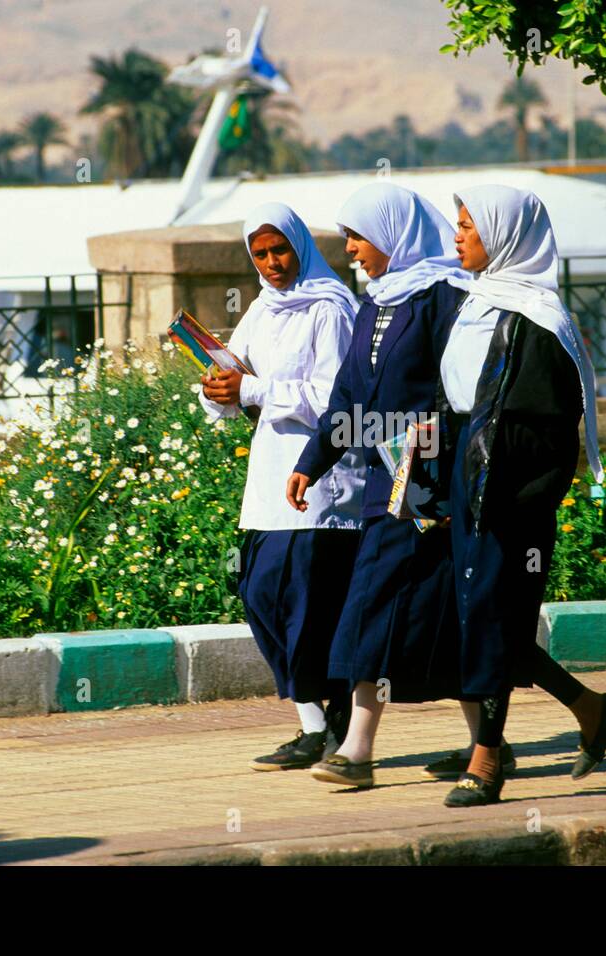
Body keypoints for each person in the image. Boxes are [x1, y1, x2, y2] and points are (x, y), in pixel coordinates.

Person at [287, 182, 513, 789]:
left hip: (427, 485)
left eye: (359, 237)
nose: (352, 250)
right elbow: (347, 399)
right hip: (379, 486)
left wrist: (427, 450)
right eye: (346, 239)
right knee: (445, 614)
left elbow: (460, 392)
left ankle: (356, 752)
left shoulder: (446, 300)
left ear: (393, 234)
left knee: (372, 600)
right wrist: (315, 460)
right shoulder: (375, 304)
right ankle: (487, 743)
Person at [438, 184, 606, 807]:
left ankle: (487, 759)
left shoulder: (541, 322)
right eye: (458, 225)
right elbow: (462, 402)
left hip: (512, 497)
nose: (459, 236)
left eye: (470, 225)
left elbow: (551, 433)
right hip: (468, 487)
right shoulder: (475, 304)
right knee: (489, 623)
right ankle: (591, 708)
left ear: (504, 233)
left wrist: (520, 502)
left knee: (495, 622)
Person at [200, 202, 365, 772]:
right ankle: (314, 726)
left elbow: (333, 398)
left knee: (308, 608)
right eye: (261, 254)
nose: (271, 263)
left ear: (300, 245)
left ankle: (337, 725)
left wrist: (253, 389)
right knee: (261, 596)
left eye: (280, 250)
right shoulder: (262, 311)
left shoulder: (331, 307)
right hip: (271, 483)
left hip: (323, 486)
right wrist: (219, 388)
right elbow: (236, 380)